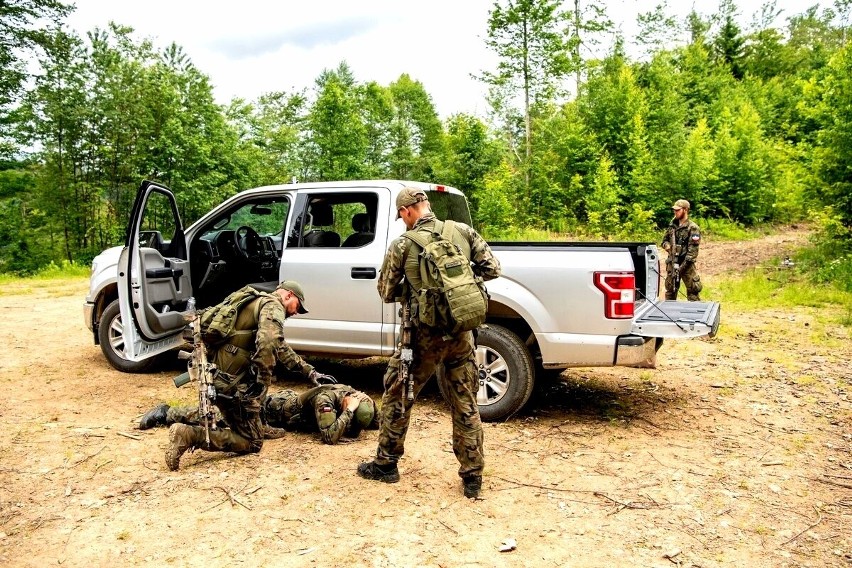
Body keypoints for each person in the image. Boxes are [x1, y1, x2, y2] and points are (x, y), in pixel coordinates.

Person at [357, 187, 502, 499]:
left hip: (421, 338)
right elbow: (492, 269)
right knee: (464, 401)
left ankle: (386, 465)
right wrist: (458, 286)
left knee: (398, 392)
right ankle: (473, 475)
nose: (402, 220)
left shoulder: (403, 245)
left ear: (409, 210)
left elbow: (385, 291)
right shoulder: (462, 231)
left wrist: (418, 292)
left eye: (401, 215)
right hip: (461, 334)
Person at [164, 280, 337, 470]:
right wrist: (262, 379)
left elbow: (279, 345)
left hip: (218, 375)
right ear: (288, 295)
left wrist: (310, 372)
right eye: (298, 306)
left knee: (248, 404)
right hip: (231, 384)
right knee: (252, 442)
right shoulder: (273, 306)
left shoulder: (256, 302)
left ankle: (257, 422)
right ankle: (188, 435)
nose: (296, 312)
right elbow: (268, 342)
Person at [140, 384, 377, 445]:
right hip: (270, 411)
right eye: (350, 412)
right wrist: (348, 414)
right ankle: (167, 412)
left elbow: (377, 418)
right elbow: (329, 436)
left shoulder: (359, 398)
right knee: (217, 417)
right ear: (348, 403)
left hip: (284, 406)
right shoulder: (327, 400)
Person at [661, 199, 702, 301]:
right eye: (674, 210)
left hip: (686, 264)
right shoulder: (672, 226)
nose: (675, 212)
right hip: (672, 262)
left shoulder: (692, 228)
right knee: (670, 291)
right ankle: (669, 314)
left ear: (685, 210)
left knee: (693, 291)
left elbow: (692, 253)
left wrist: (681, 268)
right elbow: (664, 241)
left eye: (678, 210)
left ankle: (694, 315)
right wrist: (667, 246)